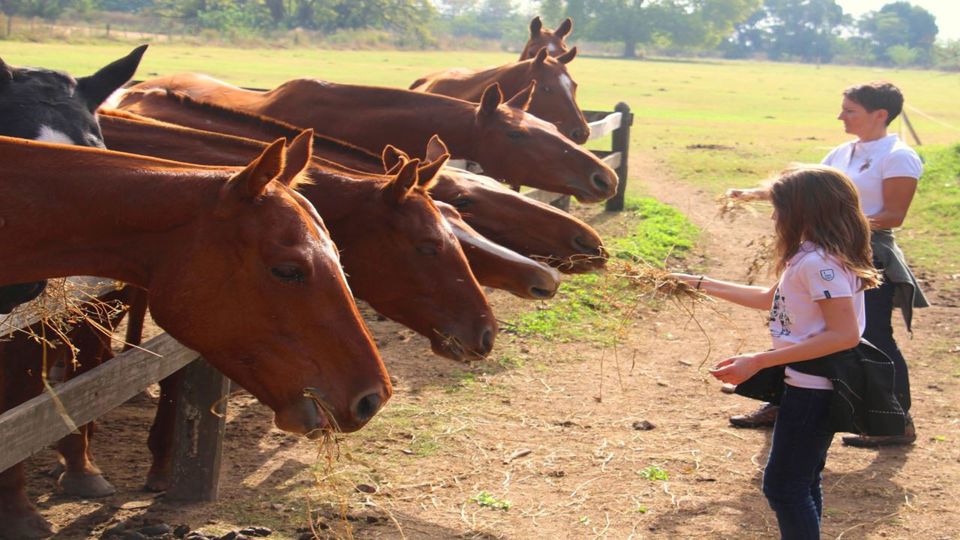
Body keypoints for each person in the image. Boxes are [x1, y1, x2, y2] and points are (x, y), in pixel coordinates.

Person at [673, 165, 906, 540]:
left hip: (814, 389)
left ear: (803, 211)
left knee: (783, 487)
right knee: (802, 480)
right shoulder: (813, 255)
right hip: (809, 383)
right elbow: (771, 298)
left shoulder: (819, 264)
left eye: (779, 207)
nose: (773, 215)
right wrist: (698, 283)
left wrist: (758, 361)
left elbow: (844, 335)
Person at [725, 81, 926, 447]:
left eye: (850, 110)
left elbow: (894, 215)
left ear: (880, 115)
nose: (841, 116)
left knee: (875, 337)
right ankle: (782, 400)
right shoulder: (842, 152)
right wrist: (756, 194)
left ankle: (895, 420)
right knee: (798, 323)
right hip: (827, 244)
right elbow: (810, 190)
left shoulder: (898, 156)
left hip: (867, 254)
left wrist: (836, 226)